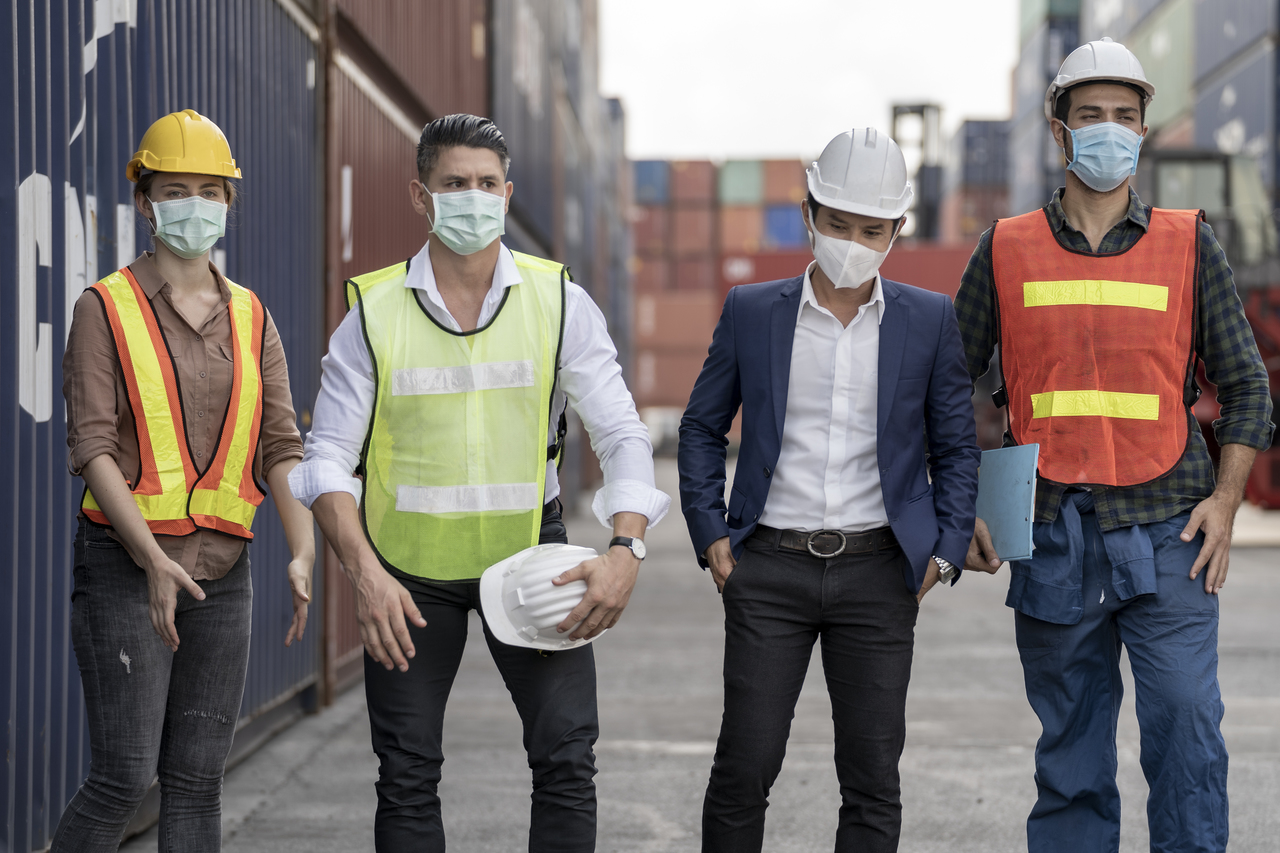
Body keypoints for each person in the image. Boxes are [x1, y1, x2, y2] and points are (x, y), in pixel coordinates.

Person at [287, 113, 668, 852]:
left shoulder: (559, 301)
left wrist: (627, 548)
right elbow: (326, 457)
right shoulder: (373, 312)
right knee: (405, 774)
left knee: (565, 760)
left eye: (486, 184)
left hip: (529, 555)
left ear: (508, 192)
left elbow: (621, 432)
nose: (473, 197)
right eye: (454, 183)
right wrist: (365, 575)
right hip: (404, 572)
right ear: (419, 196)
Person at [955, 38, 1275, 853]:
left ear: (1143, 128)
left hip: (1169, 530)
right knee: (1071, 758)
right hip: (1052, 534)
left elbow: (1247, 387)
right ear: (1058, 132)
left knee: (1187, 731)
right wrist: (957, 505)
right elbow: (942, 389)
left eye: (1125, 117)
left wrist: (1228, 501)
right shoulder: (1004, 246)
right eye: (1091, 116)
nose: (1110, 132)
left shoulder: (1188, 241)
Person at [678, 128, 983, 853]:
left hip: (880, 573)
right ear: (809, 212)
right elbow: (698, 428)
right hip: (769, 569)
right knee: (744, 767)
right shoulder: (753, 310)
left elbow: (957, 446)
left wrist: (941, 557)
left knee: (873, 776)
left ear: (896, 231)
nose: (853, 241)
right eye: (838, 222)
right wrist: (711, 535)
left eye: (871, 229)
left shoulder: (930, 319)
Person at [54, 109, 314, 851]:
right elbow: (94, 447)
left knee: (199, 782)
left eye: (210, 189)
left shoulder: (253, 317)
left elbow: (280, 443)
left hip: (224, 573)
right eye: (174, 188)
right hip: (124, 567)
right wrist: (152, 558)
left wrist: (301, 548)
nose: (193, 204)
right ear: (144, 200)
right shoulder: (103, 308)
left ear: (229, 201)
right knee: (124, 777)